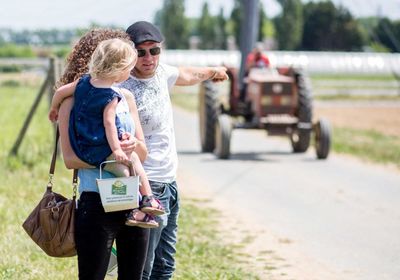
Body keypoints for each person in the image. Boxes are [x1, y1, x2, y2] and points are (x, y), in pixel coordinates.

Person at [120, 21, 229, 280]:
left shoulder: (162, 73)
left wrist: (214, 71)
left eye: (154, 51)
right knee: (142, 267)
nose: (149, 58)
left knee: (165, 266)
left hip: (170, 182)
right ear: (130, 53)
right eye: (141, 52)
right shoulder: (122, 85)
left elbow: (188, 74)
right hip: (145, 185)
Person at [55, 29, 150, 280]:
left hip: (132, 200)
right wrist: (111, 156)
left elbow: (143, 152)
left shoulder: (125, 97)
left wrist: (130, 146)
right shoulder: (72, 101)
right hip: (96, 201)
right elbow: (70, 159)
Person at [49, 38, 164, 229]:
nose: (130, 72)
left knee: (133, 160)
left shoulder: (82, 83)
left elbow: (61, 91)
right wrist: (117, 150)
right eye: (129, 68)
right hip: (100, 151)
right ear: (118, 70)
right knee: (128, 168)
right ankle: (143, 203)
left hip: (85, 146)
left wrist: (53, 108)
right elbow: (109, 123)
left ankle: (145, 202)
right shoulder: (111, 97)